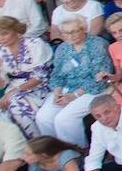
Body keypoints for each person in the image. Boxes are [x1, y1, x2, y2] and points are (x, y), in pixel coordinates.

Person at [37, 18, 113, 147]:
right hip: (67, 88)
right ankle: (55, 152)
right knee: (43, 118)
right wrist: (57, 93)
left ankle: (76, 152)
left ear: (83, 29)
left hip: (92, 89)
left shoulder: (97, 45)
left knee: (64, 119)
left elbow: (100, 77)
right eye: (65, 33)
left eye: (74, 31)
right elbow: (57, 74)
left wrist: (74, 95)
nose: (70, 36)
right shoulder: (62, 48)